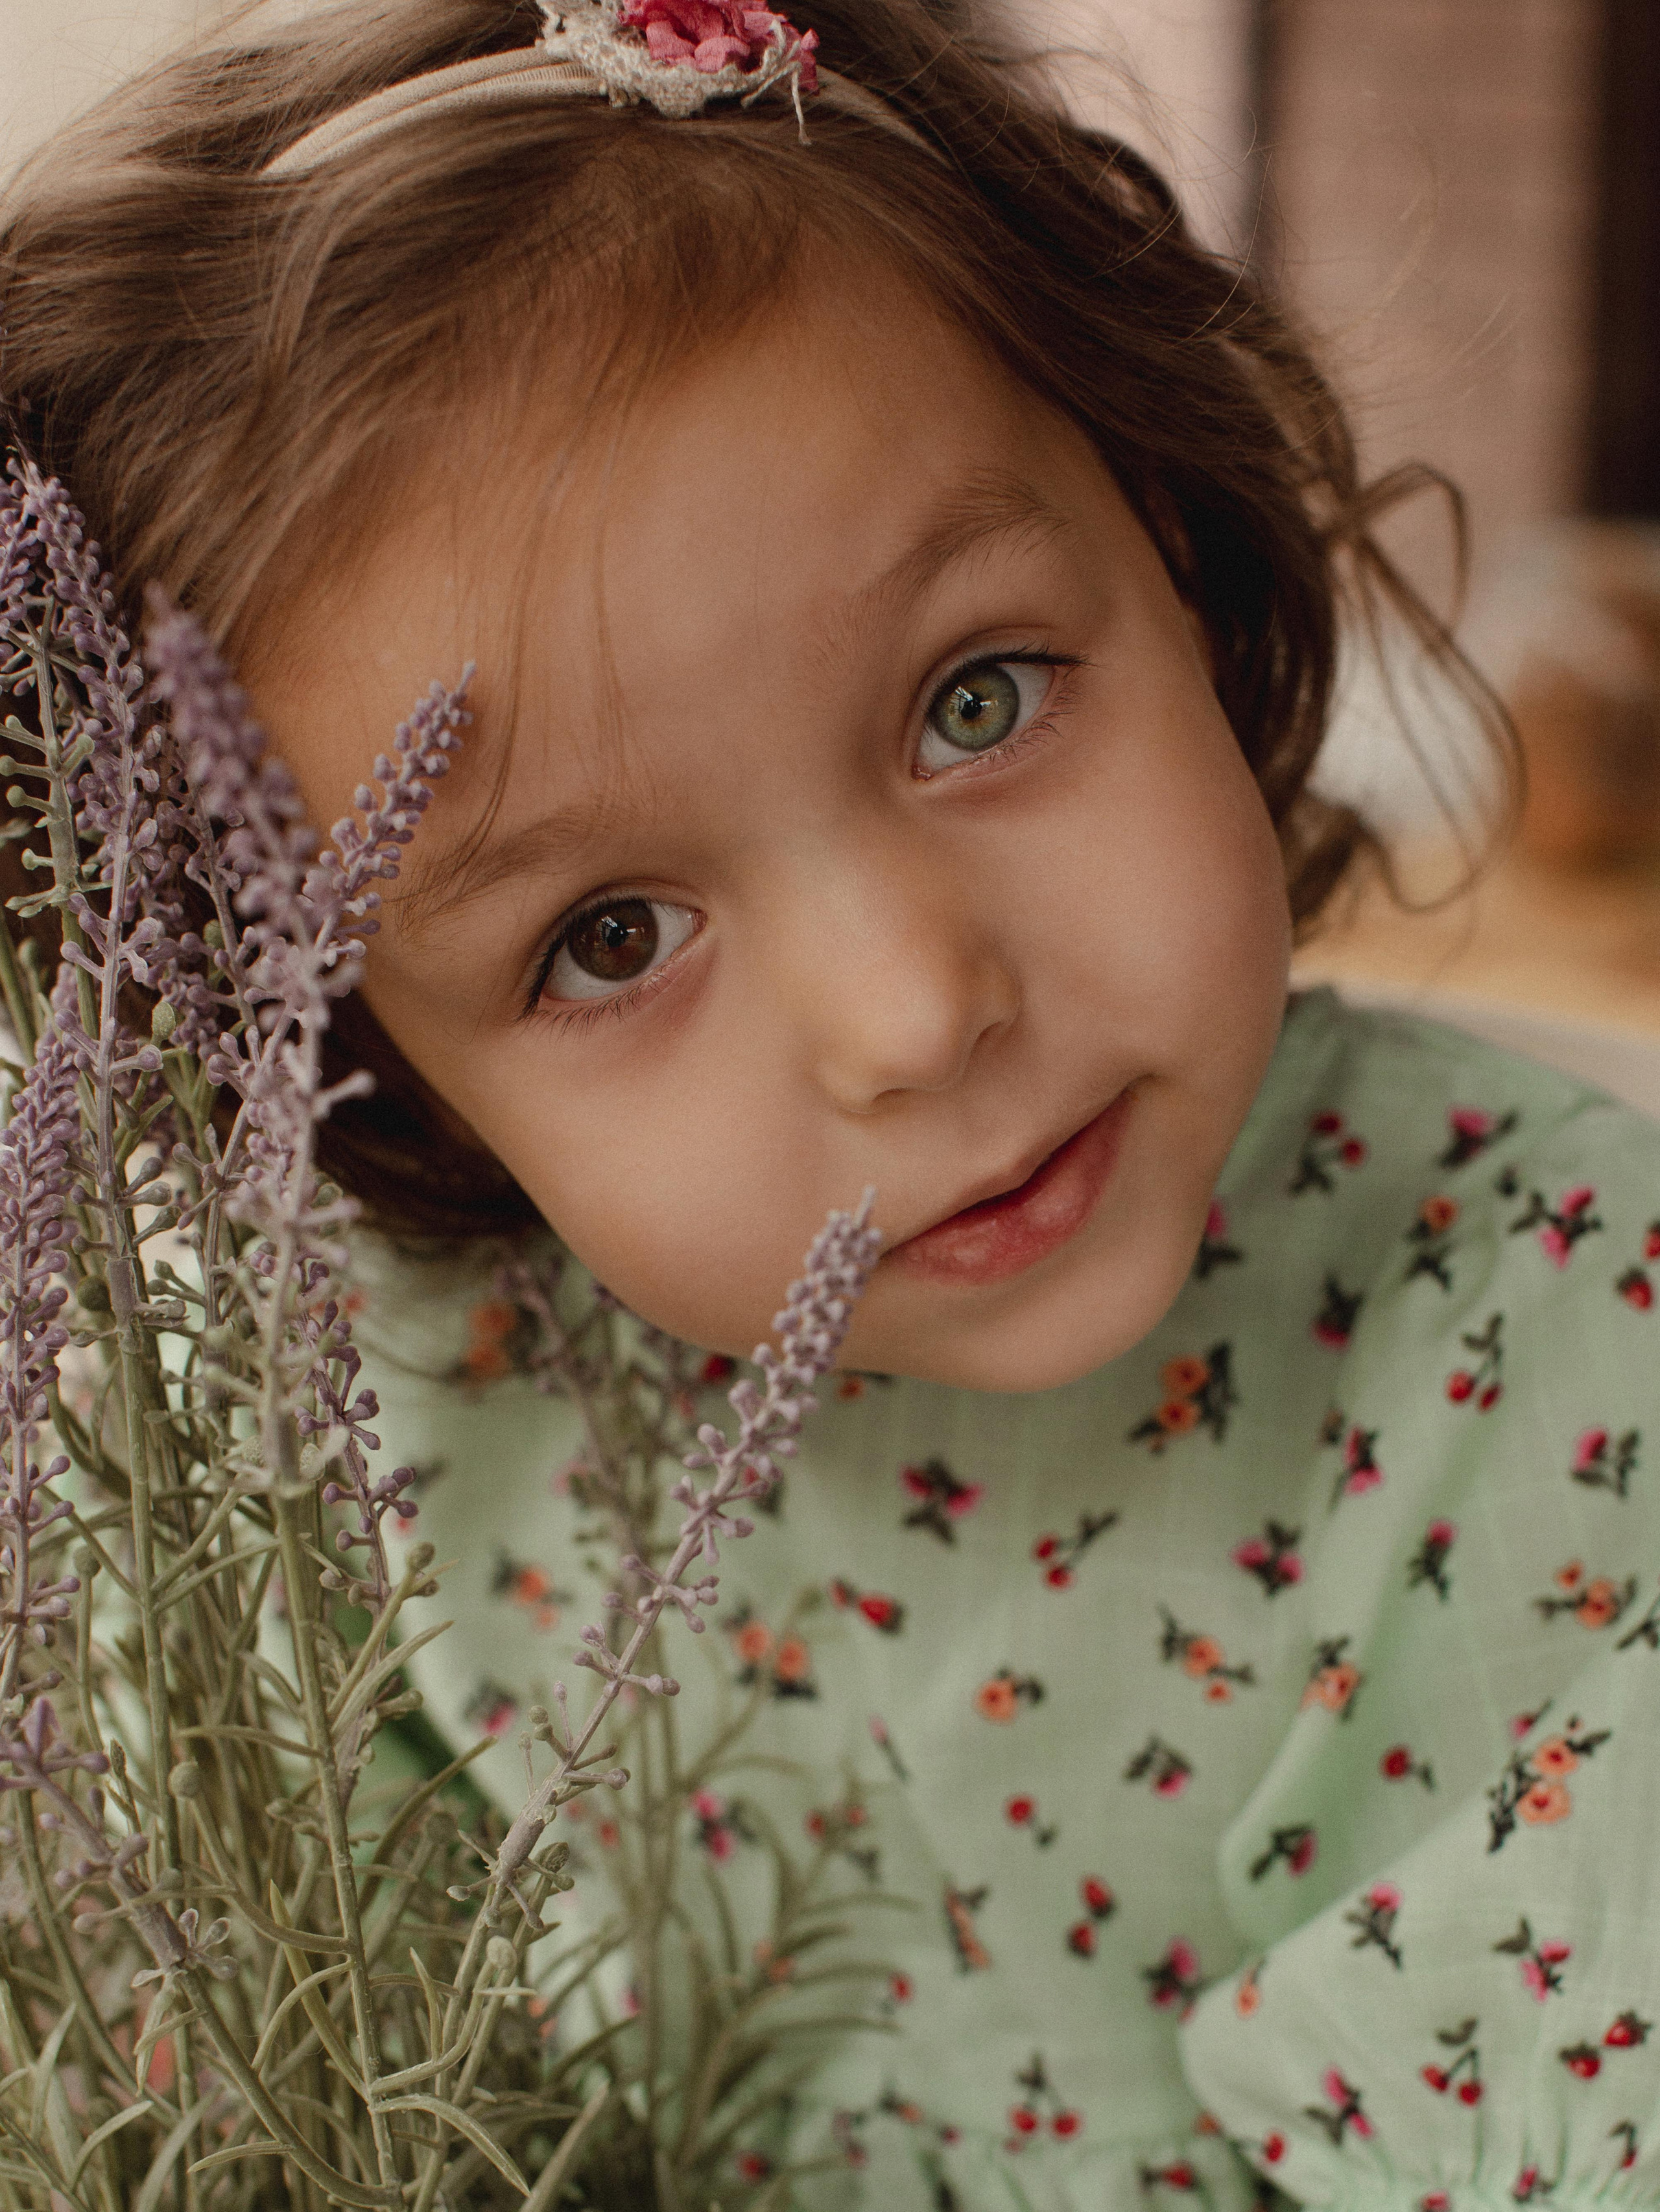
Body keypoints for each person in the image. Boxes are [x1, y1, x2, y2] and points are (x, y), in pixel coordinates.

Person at [5, 3, 1660, 2206]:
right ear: (379, 1068)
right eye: (609, 936)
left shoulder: (1565, 1351)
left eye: (978, 699)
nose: (911, 1013)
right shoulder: (364, 1456)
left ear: (1172, 543)